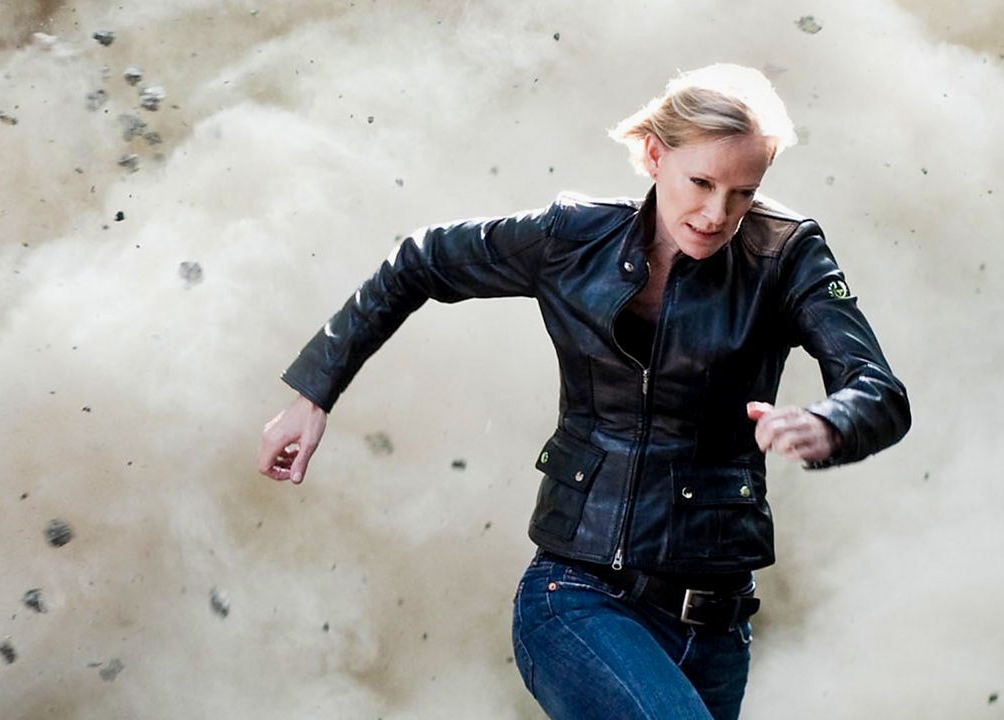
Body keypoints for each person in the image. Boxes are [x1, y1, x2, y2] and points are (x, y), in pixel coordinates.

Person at [258, 63, 910, 719]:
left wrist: (830, 422)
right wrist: (314, 393)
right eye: (702, 183)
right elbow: (420, 261)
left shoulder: (787, 253)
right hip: (578, 597)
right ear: (654, 156)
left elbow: (879, 390)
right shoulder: (570, 237)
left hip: (717, 628)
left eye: (743, 193)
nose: (717, 214)